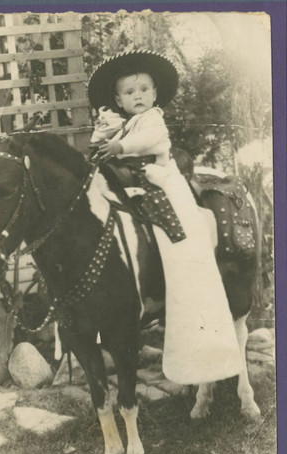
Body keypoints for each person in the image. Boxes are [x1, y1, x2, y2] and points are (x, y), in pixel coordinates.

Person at [88, 50, 242, 385]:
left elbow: (149, 140)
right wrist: (102, 131)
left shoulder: (153, 119)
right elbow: (100, 144)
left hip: (163, 185)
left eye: (144, 89)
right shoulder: (124, 124)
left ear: (155, 94)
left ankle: (197, 334)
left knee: (185, 252)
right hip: (134, 188)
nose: (138, 95)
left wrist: (118, 147)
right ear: (118, 100)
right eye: (129, 92)